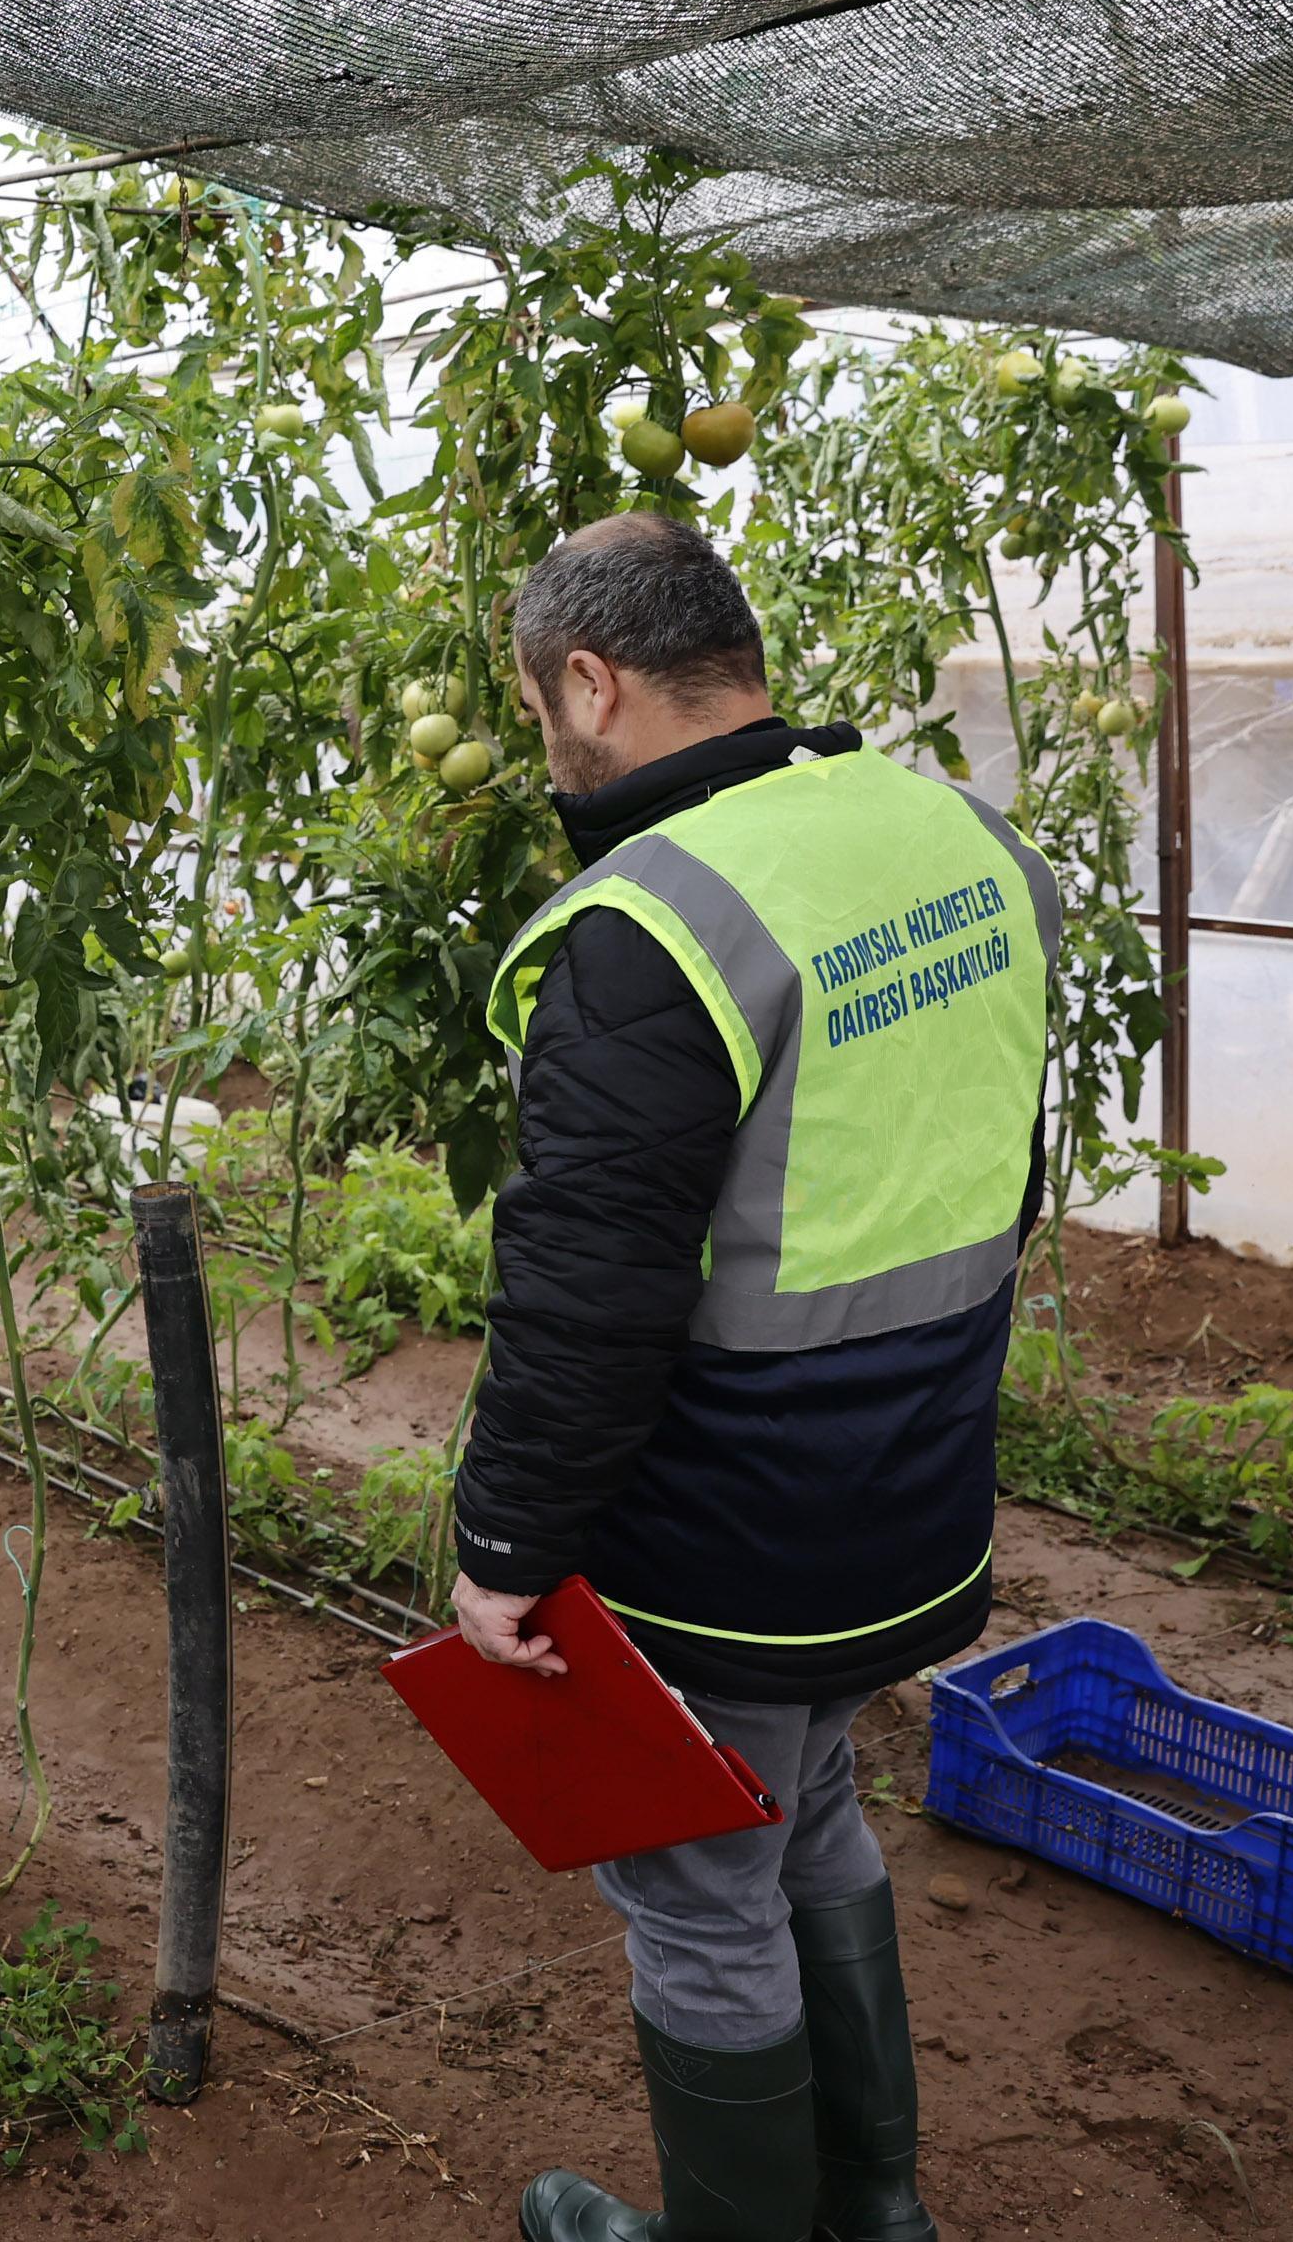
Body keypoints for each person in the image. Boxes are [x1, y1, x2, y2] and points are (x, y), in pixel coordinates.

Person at [450, 514, 1058, 2242]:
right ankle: (876, 2214)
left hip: (728, 1533)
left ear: (591, 680)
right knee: (806, 1821)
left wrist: (505, 1547)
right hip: (913, 1490)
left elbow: (589, 1298)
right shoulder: (961, 839)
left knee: (702, 1893)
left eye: (539, 707)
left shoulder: (655, 927)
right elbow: (991, 1162)